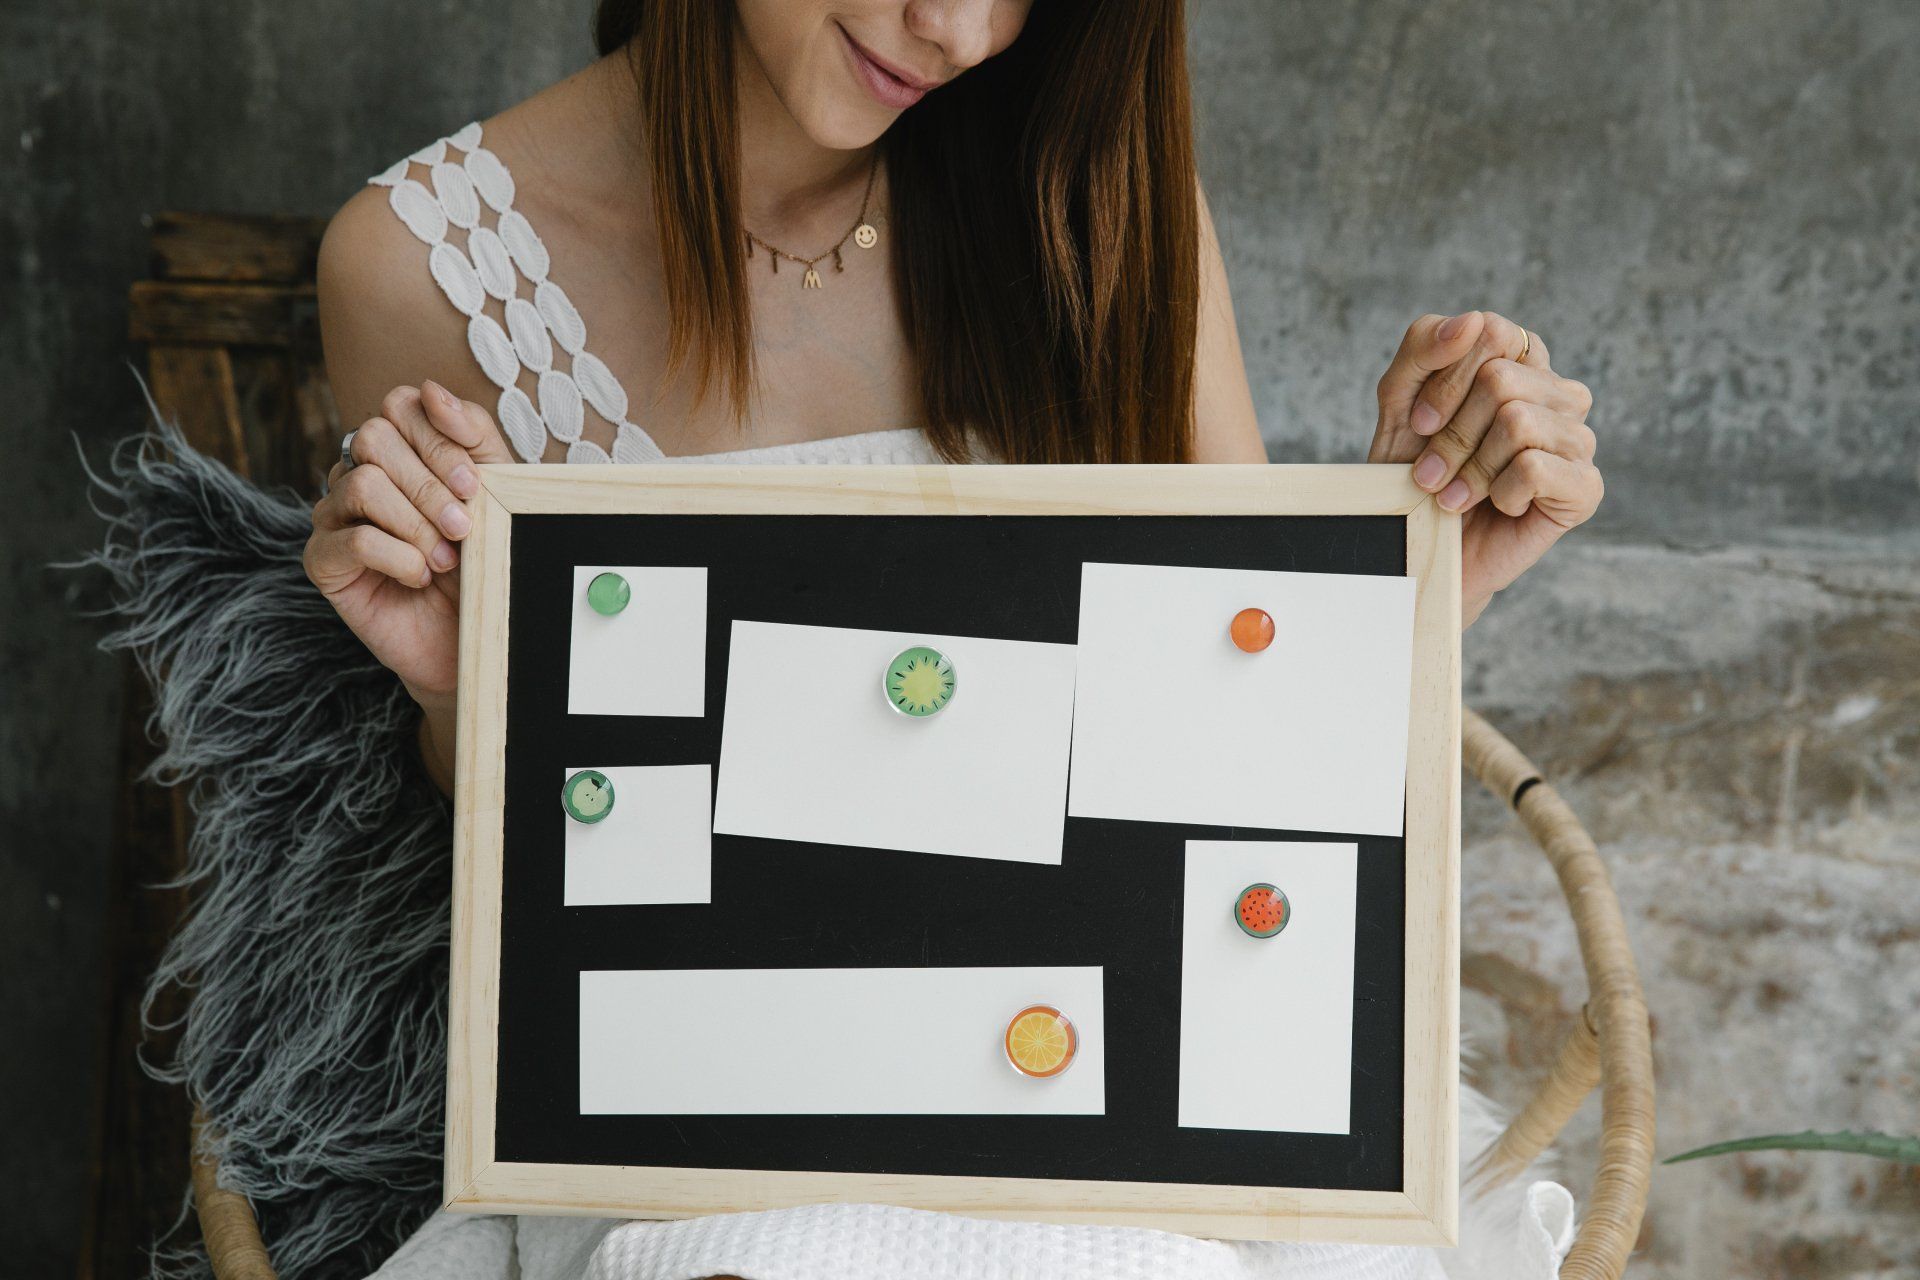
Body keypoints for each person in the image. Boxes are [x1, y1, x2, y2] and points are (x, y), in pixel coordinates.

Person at [306, 1, 1600, 1276]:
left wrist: (1414, 568)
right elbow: (560, 879)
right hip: (714, 1124)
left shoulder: (1091, 194)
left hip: (1124, 1102)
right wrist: (454, 690)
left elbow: (1230, 768)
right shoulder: (424, 266)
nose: (960, 29)